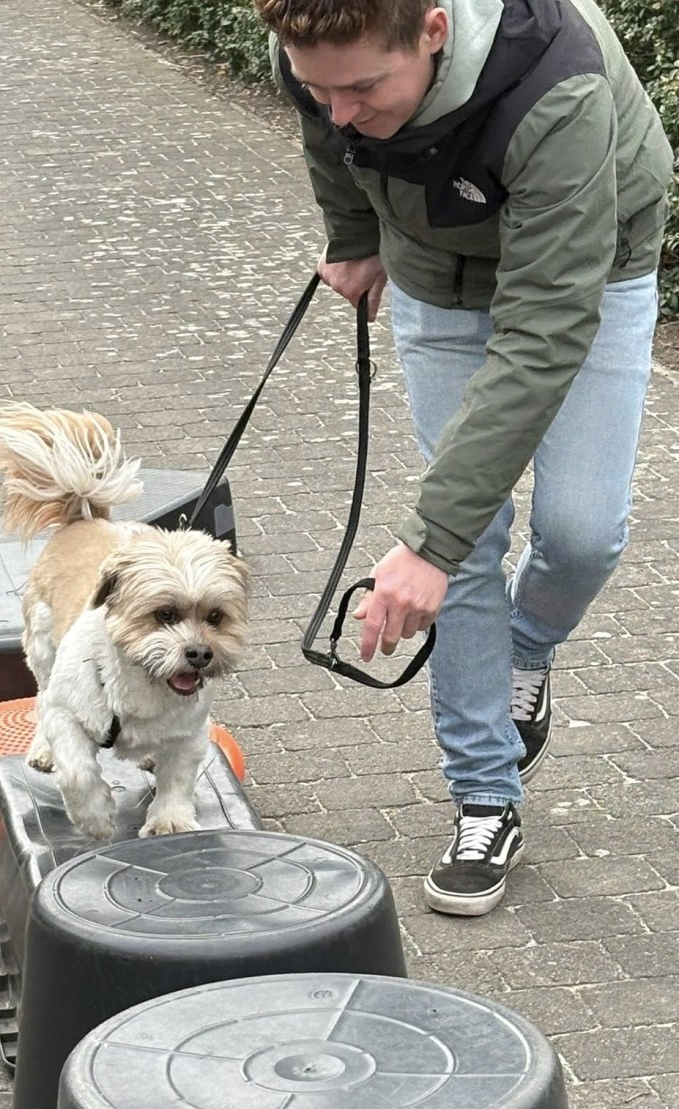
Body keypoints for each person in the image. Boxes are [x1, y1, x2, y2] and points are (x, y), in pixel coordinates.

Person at [257, 0, 673, 915]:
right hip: (435, 280)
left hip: (587, 274)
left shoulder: (556, 87)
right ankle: (485, 793)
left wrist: (424, 544)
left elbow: (542, 330)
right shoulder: (322, 56)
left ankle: (524, 648)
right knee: (474, 539)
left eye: (364, 87)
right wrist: (354, 238)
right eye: (319, 85)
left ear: (434, 31)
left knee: (581, 534)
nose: (338, 108)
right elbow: (328, 140)